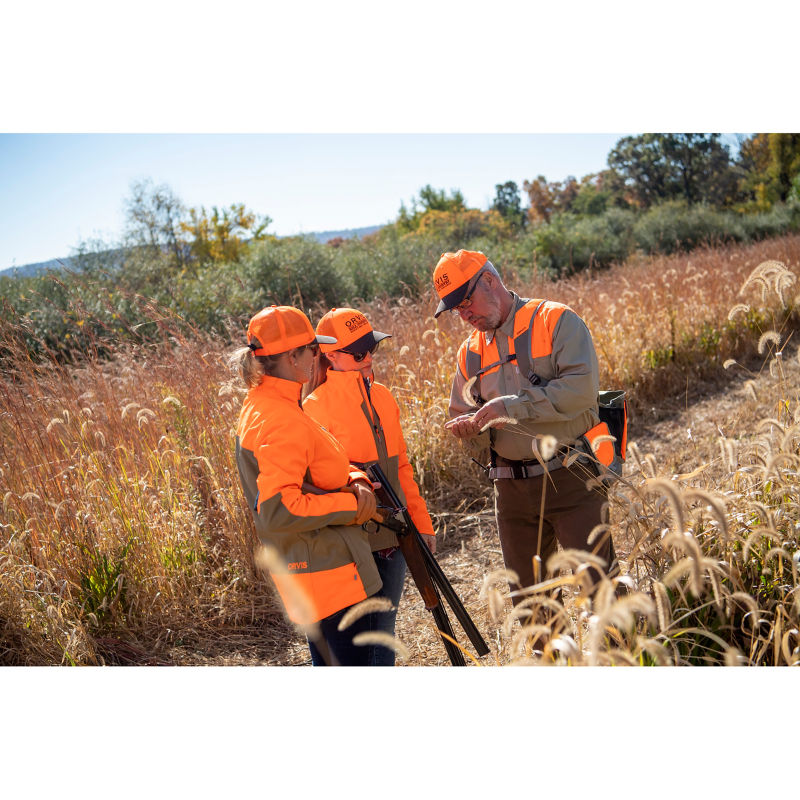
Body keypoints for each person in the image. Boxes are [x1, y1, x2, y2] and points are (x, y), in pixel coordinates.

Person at [433, 249, 618, 602]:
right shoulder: (469, 352)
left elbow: (580, 391)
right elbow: (463, 414)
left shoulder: (556, 319)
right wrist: (470, 434)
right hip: (510, 491)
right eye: (456, 309)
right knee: (533, 606)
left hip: (572, 476)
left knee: (601, 593)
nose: (464, 314)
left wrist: (513, 407)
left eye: (466, 301)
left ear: (490, 280)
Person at [233, 304, 386, 666]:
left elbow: (314, 469)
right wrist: (354, 506)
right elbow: (279, 509)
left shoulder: (266, 404)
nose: (319, 356)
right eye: (313, 349)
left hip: (313, 570)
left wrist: (355, 478)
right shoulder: (280, 418)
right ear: (292, 357)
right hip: (330, 576)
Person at [302, 307, 436, 666]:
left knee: (383, 636)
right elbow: (317, 480)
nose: (369, 359)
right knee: (360, 647)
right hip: (349, 542)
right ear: (330, 355)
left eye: (371, 349)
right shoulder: (314, 407)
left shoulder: (384, 398)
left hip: (394, 538)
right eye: (359, 353)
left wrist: (422, 525)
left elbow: (401, 467)